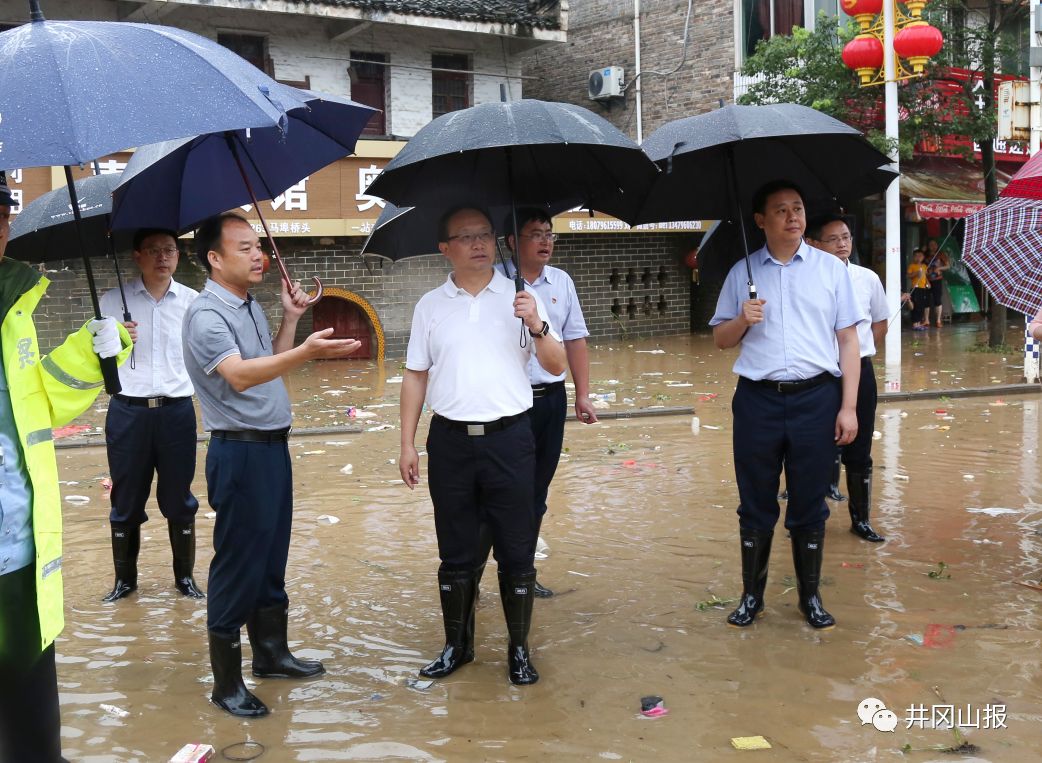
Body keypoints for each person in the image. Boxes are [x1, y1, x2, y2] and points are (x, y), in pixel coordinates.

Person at [182, 213, 361, 718]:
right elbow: (239, 377)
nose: (258, 255)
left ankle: (272, 655)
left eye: (258, 246)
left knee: (271, 555)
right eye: (244, 248)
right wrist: (306, 352)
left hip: (270, 448)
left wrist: (288, 321)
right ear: (215, 258)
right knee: (238, 561)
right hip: (238, 452)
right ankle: (226, 682)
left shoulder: (248, 305)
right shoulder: (206, 315)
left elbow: (269, 362)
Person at [399, 206, 566, 685]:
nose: (478, 244)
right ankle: (458, 646)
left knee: (516, 550)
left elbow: (555, 366)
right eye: (466, 237)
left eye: (485, 235)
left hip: (510, 439)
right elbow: (415, 375)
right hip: (450, 442)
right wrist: (407, 443)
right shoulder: (430, 305)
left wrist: (536, 323)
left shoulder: (522, 297)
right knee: (456, 553)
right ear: (445, 248)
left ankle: (518, 650)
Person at [0, 170, 131, 762]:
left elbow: (37, 405)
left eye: (2, 214)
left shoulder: (13, 306)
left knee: (33, 728)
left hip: (21, 556)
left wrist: (91, 348)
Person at [709, 180, 862, 631]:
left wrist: (848, 407)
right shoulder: (743, 272)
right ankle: (751, 597)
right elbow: (720, 339)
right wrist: (743, 318)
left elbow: (848, 341)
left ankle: (809, 598)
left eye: (797, 208)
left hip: (818, 398)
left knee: (810, 502)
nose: (793, 217)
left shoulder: (830, 270)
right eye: (781, 210)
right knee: (755, 502)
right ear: (761, 221)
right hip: (758, 401)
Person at [481, 207, 598, 598]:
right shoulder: (493, 283)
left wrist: (581, 393)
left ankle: (522, 573)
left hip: (549, 401)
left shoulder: (561, 282)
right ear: (513, 242)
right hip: (505, 407)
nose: (546, 241)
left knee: (536, 492)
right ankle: (475, 574)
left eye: (550, 234)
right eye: (536, 234)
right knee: (495, 492)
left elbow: (575, 339)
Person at [99, 229, 203, 602]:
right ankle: (125, 583)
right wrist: (114, 339)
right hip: (128, 412)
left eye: (170, 250)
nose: (163, 257)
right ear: (137, 255)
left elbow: (205, 356)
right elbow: (97, 361)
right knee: (126, 500)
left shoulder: (193, 302)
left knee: (179, 498)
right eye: (154, 251)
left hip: (176, 412)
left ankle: (185, 579)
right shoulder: (112, 301)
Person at [806, 213, 887, 543]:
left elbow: (879, 324)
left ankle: (861, 520)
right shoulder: (806, 280)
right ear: (813, 244)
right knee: (811, 446)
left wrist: (858, 355)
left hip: (860, 371)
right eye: (833, 238)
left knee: (860, 447)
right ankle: (808, 520)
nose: (843, 244)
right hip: (820, 374)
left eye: (847, 237)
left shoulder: (867, 278)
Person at [925, 242, 949, 328]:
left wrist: (939, 268)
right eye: (931, 245)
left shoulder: (941, 254)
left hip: (937, 279)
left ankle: (938, 320)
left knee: (937, 299)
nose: (933, 246)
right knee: (926, 300)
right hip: (926, 279)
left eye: (934, 244)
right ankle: (926, 320)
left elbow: (947, 266)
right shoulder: (925, 254)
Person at [906, 248, 929, 330]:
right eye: (916, 256)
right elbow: (908, 276)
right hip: (915, 288)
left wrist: (928, 283)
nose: (918, 258)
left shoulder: (924, 266)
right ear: (913, 257)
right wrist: (916, 273)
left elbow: (925, 277)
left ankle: (919, 323)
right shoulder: (912, 266)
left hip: (923, 288)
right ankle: (915, 323)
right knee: (915, 306)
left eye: (920, 256)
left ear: (923, 257)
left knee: (921, 306)